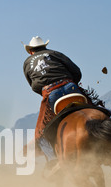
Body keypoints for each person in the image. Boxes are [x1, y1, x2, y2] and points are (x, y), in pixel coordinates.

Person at [22, 36, 83, 178]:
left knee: (41, 132)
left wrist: (45, 91)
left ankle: (54, 160)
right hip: (72, 87)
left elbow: (34, 85)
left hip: (51, 94)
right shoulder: (55, 53)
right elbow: (77, 71)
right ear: (44, 47)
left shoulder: (27, 62)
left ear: (30, 51)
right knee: (95, 107)